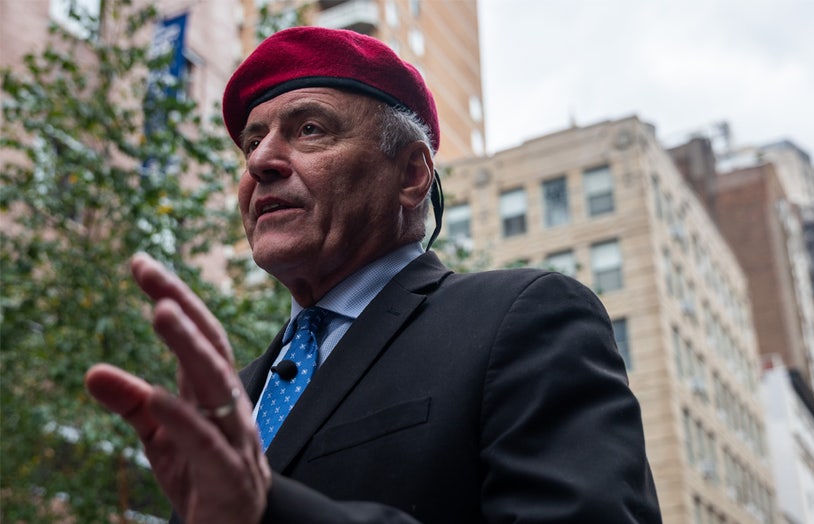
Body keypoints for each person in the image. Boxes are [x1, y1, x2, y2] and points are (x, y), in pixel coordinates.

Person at [85, 26, 662, 523]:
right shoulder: (229, 398)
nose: (261, 160)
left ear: (412, 173)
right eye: (253, 140)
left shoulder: (523, 321)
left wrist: (269, 509)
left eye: (309, 129)